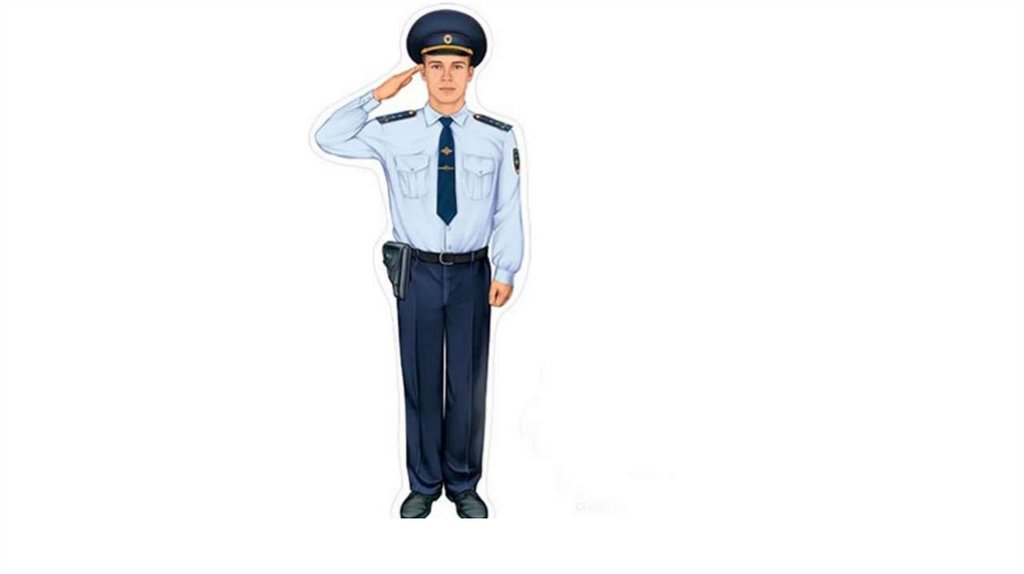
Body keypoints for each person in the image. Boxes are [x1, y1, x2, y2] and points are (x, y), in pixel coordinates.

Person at [312, 9, 524, 518]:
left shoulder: (497, 136)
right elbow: (328, 137)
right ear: (422, 72)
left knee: (468, 384)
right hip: (419, 272)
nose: (447, 76)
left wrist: (506, 268)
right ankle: (424, 484)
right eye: (435, 66)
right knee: (422, 379)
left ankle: (464, 484)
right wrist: (377, 95)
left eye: (457, 66)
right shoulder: (394, 131)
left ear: (471, 73)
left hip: (472, 272)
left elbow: (508, 206)